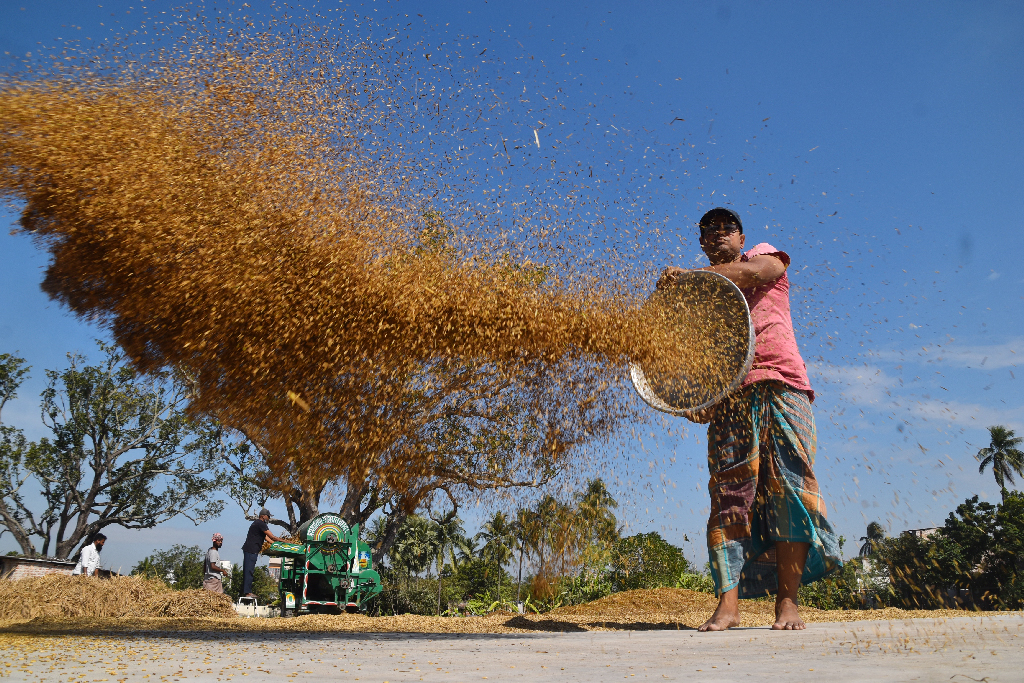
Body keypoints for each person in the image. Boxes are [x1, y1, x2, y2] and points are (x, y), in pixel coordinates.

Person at [659, 207, 841, 631]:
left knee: (790, 488)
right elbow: (696, 365)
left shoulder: (761, 257)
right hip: (732, 398)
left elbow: (758, 273)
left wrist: (686, 279)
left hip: (783, 383)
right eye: (709, 231)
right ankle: (728, 606)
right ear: (702, 243)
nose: (719, 234)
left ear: (742, 239)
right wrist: (693, 399)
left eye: (728, 228)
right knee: (728, 495)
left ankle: (788, 603)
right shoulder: (701, 300)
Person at [240, 508, 284, 598]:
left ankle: (246, 591)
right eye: (268, 516)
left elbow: (267, 539)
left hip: (252, 550)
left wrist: (277, 545)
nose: (268, 518)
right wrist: (284, 542)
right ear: (263, 516)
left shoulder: (258, 524)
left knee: (249, 570)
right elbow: (272, 536)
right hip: (251, 550)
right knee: (249, 571)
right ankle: (247, 592)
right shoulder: (260, 523)